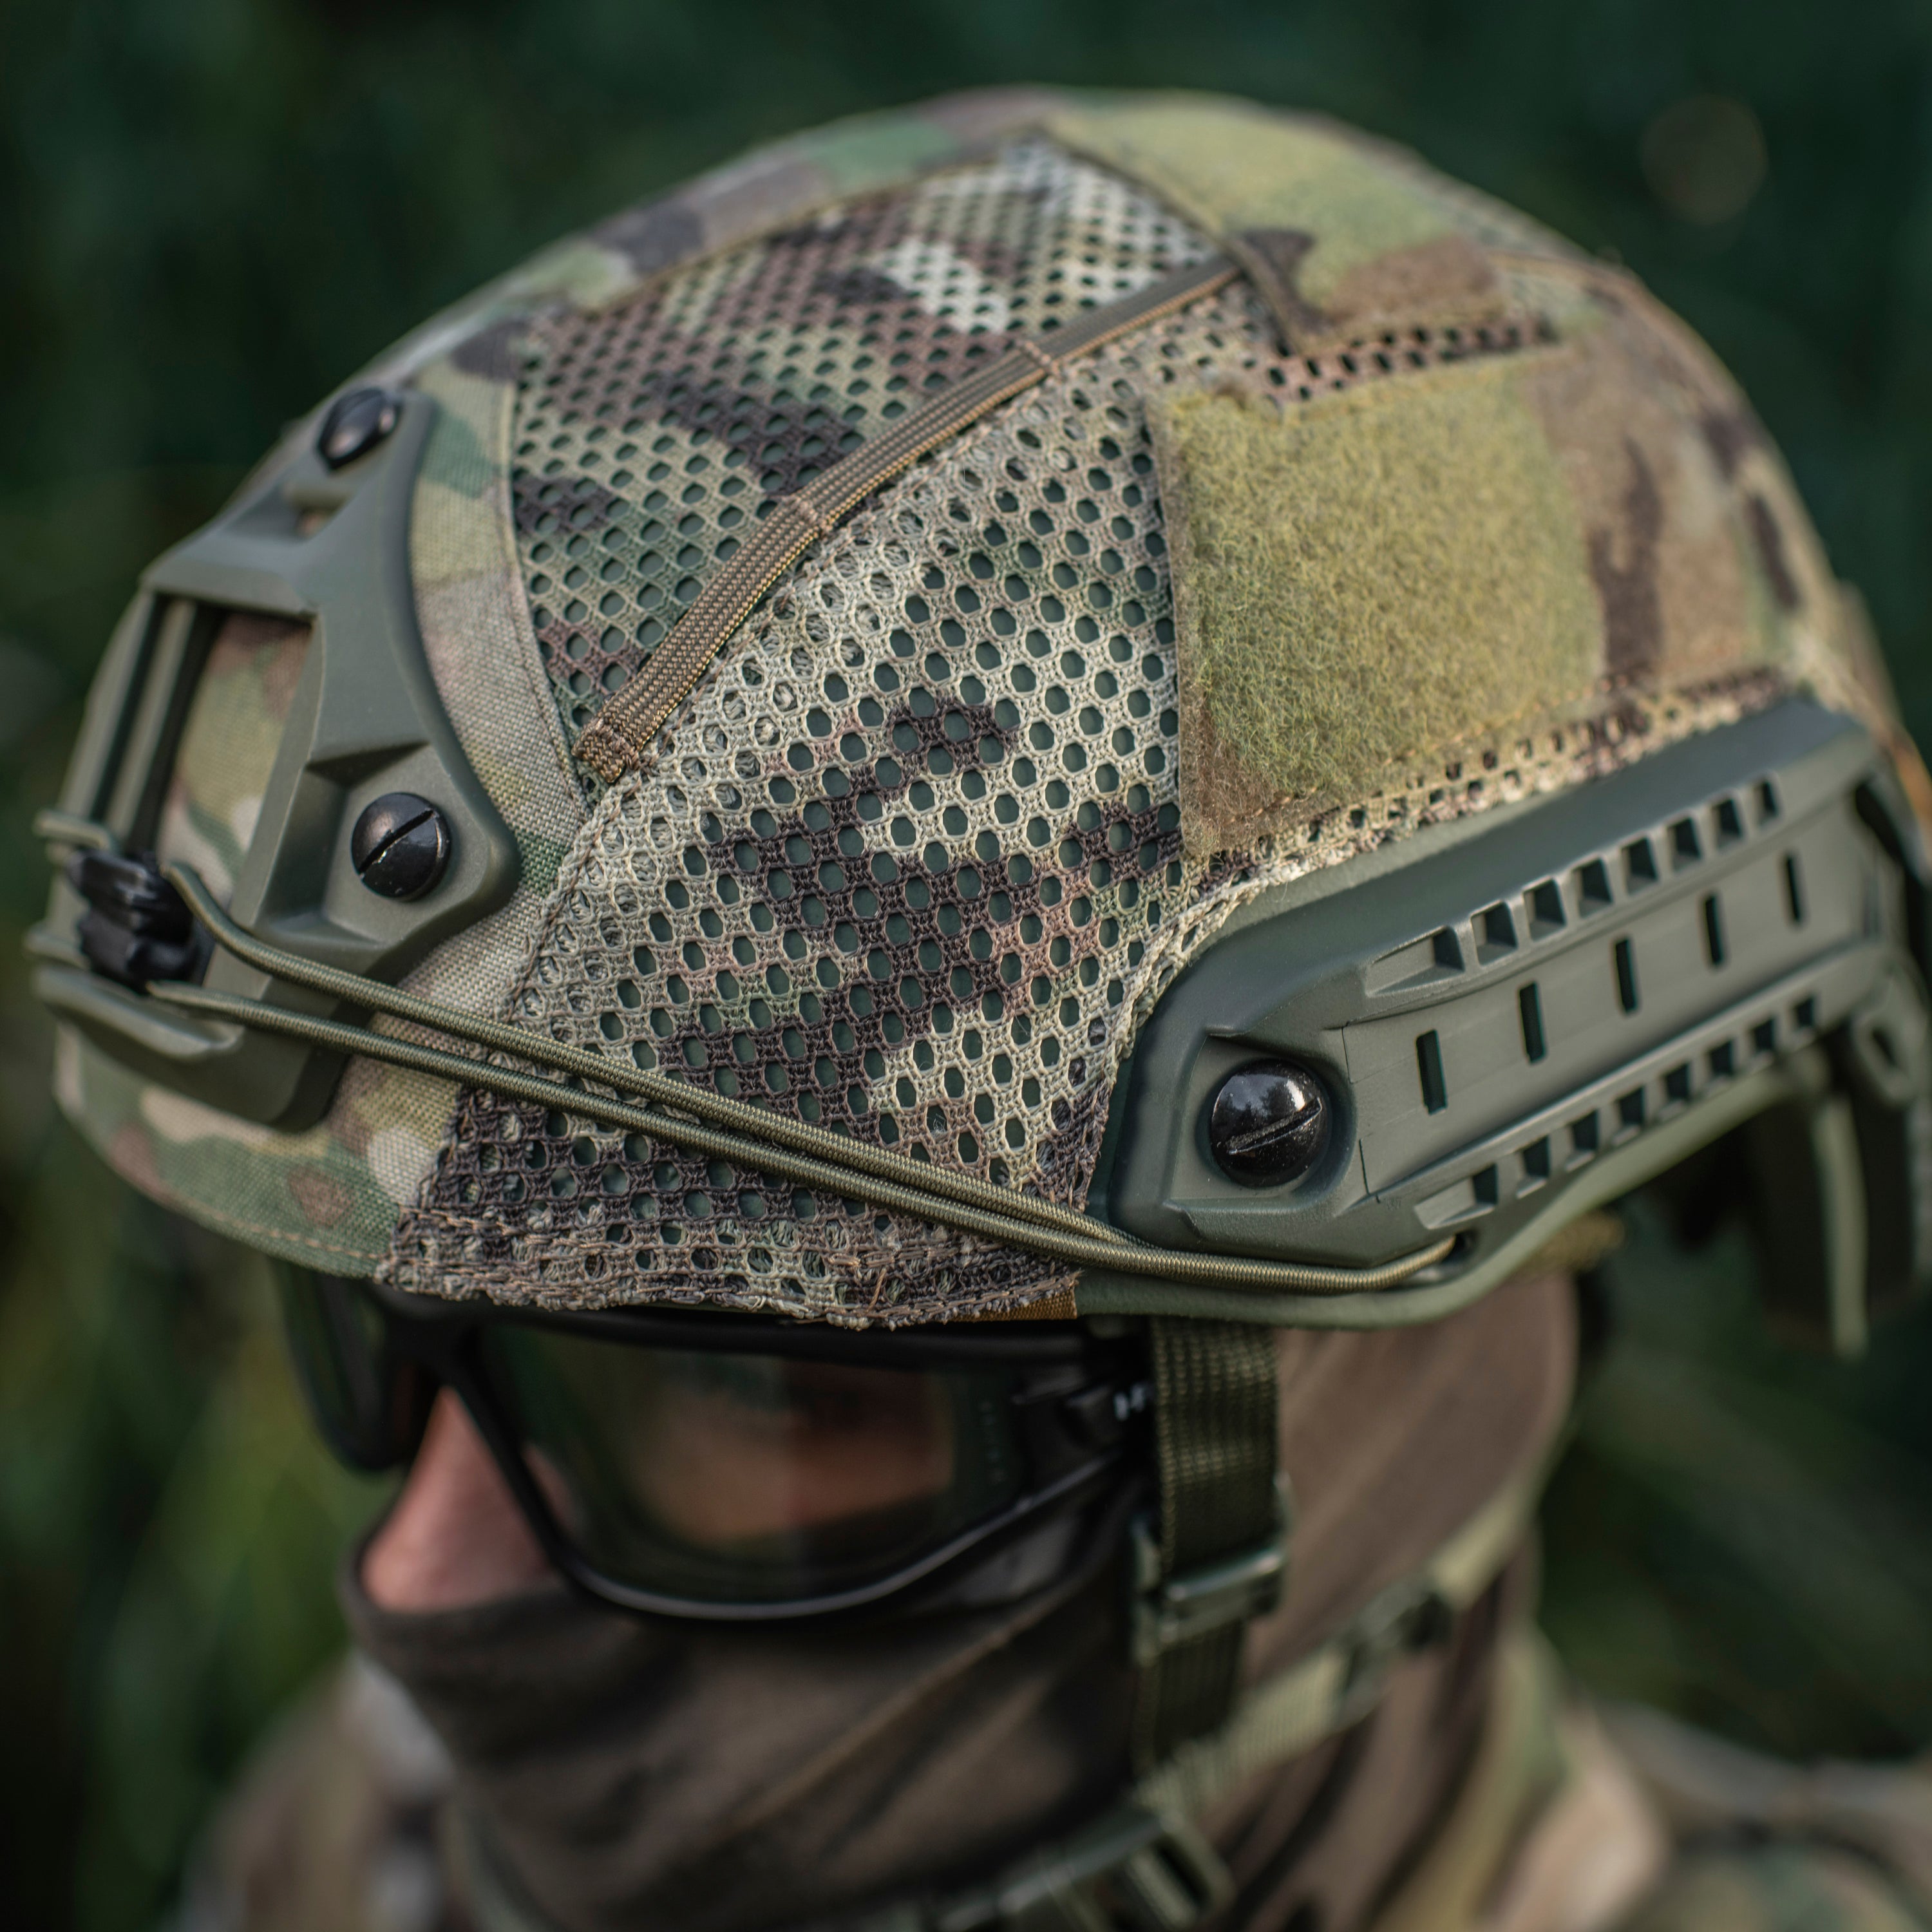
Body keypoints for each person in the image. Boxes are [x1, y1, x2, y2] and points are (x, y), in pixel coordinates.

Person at [35, 87, 1932, 1932]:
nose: (416, 1595)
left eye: (739, 1394)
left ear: (1342, 1401)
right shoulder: (365, 1857)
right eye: (377, 1341)